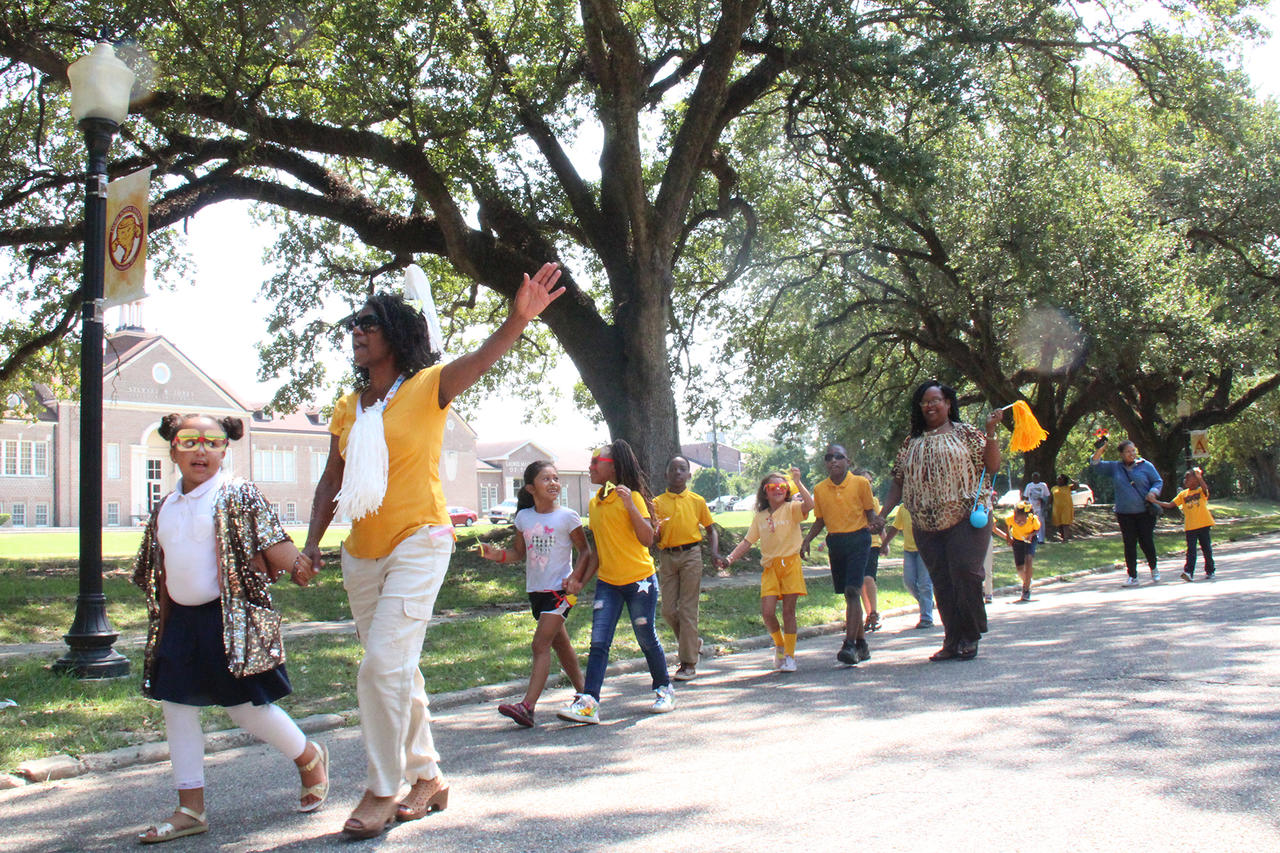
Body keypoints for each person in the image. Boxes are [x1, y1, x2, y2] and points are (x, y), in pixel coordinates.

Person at [303, 262, 563, 838]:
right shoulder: (350, 406)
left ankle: (381, 787)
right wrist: (313, 544)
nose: (357, 330)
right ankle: (429, 778)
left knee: (379, 669)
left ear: (395, 332)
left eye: (368, 322)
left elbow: (481, 360)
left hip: (419, 541)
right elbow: (331, 480)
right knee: (396, 670)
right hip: (361, 552)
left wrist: (518, 320)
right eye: (354, 322)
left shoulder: (428, 387)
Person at [132, 414, 327, 844]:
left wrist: (300, 564)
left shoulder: (235, 494)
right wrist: (163, 626)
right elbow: (161, 569)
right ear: (173, 449)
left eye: (212, 441)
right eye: (189, 440)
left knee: (246, 709)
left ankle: (309, 756)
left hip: (228, 619)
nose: (201, 449)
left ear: (225, 448)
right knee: (178, 707)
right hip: (181, 623)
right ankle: (190, 809)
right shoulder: (165, 506)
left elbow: (271, 542)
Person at [877, 380, 1002, 662]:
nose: (930, 405)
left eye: (936, 400)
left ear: (948, 404)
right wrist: (882, 516)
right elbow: (898, 482)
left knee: (965, 573)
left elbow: (992, 467)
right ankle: (952, 639)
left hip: (967, 516)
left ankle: (970, 635)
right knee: (942, 581)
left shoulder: (966, 433)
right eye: (925, 401)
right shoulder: (911, 442)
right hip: (924, 522)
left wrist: (991, 432)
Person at [558, 439, 675, 724]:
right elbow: (598, 550)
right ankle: (589, 703)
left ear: (613, 467)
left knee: (647, 639)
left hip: (639, 581)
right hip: (608, 583)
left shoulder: (632, 497)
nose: (591, 466)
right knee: (598, 642)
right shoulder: (595, 503)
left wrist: (630, 505)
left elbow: (648, 539)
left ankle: (664, 689)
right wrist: (580, 579)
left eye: (597, 461)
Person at [477, 461, 590, 727]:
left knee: (540, 645)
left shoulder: (568, 517)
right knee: (560, 645)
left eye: (556, 478)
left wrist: (576, 579)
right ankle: (586, 696)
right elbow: (519, 553)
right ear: (530, 487)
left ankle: (528, 707)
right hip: (536, 592)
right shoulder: (524, 518)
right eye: (546, 479)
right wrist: (497, 555)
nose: (553, 483)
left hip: (559, 592)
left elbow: (586, 552)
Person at [722, 468, 814, 671]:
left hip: (791, 566)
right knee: (767, 612)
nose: (778, 490)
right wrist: (729, 559)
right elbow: (747, 541)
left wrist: (798, 482)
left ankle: (789, 656)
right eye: (772, 487)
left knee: (789, 612)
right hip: (770, 569)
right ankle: (779, 644)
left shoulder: (793, 508)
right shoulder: (760, 516)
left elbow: (810, 505)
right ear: (765, 492)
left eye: (782, 486)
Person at [801, 445, 884, 666]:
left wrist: (877, 523)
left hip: (859, 539)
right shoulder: (820, 489)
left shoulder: (860, 484)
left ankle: (848, 645)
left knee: (852, 590)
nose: (833, 461)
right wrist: (807, 539)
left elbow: (870, 513)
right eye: (828, 458)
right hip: (836, 542)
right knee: (849, 594)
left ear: (848, 461)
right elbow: (820, 519)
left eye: (838, 457)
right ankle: (861, 644)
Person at [653, 456, 720, 681]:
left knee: (688, 610)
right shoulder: (657, 503)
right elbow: (653, 534)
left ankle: (688, 664)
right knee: (668, 610)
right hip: (668, 556)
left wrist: (714, 552)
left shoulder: (697, 500)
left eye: (683, 469)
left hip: (692, 554)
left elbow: (711, 530)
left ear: (689, 475)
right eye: (673, 469)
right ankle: (693, 642)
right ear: (666, 475)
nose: (678, 472)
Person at [1090, 437, 1164, 587]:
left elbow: (1158, 481)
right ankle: (1132, 576)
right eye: (1128, 451)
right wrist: (1100, 449)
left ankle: (1154, 568)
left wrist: (1153, 492)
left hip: (1144, 511)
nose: (1132, 453)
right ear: (1121, 454)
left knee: (1146, 542)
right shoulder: (1115, 467)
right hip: (1124, 513)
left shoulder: (1145, 465)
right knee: (1129, 544)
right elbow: (1095, 464)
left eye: (1133, 450)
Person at [1157, 467, 1216, 582]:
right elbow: (1170, 505)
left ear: (1195, 480)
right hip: (1191, 527)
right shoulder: (1183, 494)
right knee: (1191, 551)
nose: (1185, 480)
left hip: (1204, 524)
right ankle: (1188, 572)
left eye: (1188, 478)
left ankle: (1210, 570)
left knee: (1206, 549)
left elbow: (1205, 489)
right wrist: (1155, 501)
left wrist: (1200, 477)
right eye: (1185, 478)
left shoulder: (1200, 492)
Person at [882, 504, 933, 629]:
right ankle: (927, 603)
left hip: (924, 549)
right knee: (908, 582)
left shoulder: (926, 506)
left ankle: (926, 617)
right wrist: (885, 543)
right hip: (909, 550)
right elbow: (895, 527)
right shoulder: (903, 508)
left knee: (924, 584)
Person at [852, 468, 883, 632]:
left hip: (873, 543)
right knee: (860, 581)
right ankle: (868, 613)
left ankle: (874, 612)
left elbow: (879, 522)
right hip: (855, 543)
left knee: (869, 578)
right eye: (866, 482)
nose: (869, 485)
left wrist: (885, 542)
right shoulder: (849, 500)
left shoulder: (874, 501)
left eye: (870, 482)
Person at [993, 501, 1041, 603]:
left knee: (1028, 560)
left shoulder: (1033, 520)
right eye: (1017, 521)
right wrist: (1008, 537)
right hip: (1017, 540)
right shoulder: (1011, 518)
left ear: (1028, 517)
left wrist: (1031, 535)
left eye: (1022, 521)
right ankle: (1027, 581)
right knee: (1019, 569)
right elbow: (1007, 525)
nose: (1019, 523)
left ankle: (1026, 590)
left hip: (1030, 539)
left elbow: (1037, 529)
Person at [1022, 472, 1051, 544]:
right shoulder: (1029, 485)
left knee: (1041, 523)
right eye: (1034, 477)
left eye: (1036, 477)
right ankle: (1032, 538)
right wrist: (1025, 506)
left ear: (1039, 478)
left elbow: (1048, 495)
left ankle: (1041, 539)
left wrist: (1046, 504)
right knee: (1031, 522)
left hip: (1040, 507)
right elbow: (1026, 496)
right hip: (1031, 507)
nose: (1035, 478)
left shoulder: (1043, 485)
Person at [1051, 475, 1075, 542]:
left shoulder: (1068, 487)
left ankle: (1066, 538)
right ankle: (1063, 536)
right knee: (1059, 524)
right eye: (1057, 479)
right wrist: (1047, 506)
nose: (1058, 480)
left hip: (1066, 508)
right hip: (1057, 508)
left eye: (1060, 479)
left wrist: (1073, 480)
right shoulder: (1054, 488)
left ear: (1064, 480)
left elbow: (1076, 486)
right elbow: (1051, 498)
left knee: (1065, 523)